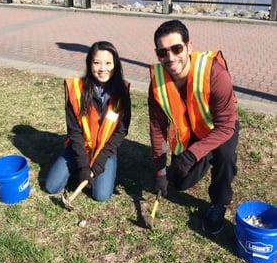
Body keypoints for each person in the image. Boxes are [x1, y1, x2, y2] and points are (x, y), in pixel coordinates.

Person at [148, 19, 239, 235]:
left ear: (189, 47)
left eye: (176, 48)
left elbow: (227, 125)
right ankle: (204, 156)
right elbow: (157, 128)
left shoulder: (216, 74)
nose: (170, 57)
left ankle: (219, 202)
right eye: (163, 52)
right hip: (192, 132)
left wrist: (191, 155)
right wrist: (161, 171)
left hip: (220, 129)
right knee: (179, 183)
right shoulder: (157, 81)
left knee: (225, 156)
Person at [45, 41, 131, 201]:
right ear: (89, 64)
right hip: (79, 147)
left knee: (101, 196)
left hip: (105, 151)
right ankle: (77, 168)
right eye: (97, 63)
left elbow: (121, 131)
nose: (102, 69)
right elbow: (74, 131)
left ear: (116, 65)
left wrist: (99, 162)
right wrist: (84, 166)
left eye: (108, 63)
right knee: (52, 186)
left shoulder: (122, 91)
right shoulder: (76, 90)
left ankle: (96, 169)